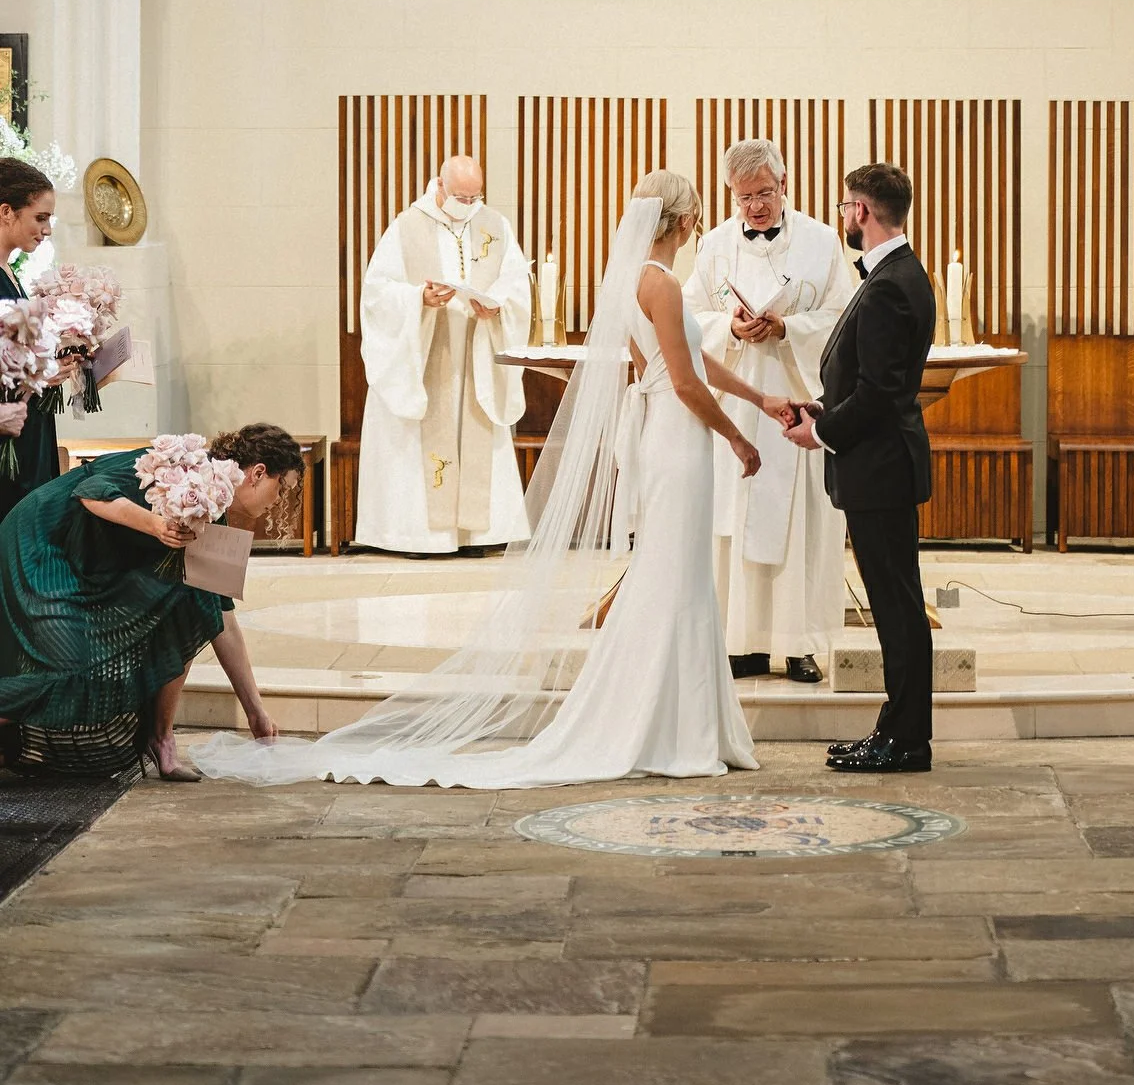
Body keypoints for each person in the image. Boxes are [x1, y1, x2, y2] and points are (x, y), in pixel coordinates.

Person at [192, 173, 790, 788]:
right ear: (688, 222)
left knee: (674, 575)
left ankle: (678, 724)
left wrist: (762, 398)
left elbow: (675, 365)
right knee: (676, 578)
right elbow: (686, 381)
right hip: (680, 440)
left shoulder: (633, 281)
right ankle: (669, 728)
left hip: (665, 433)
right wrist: (739, 436)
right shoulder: (659, 283)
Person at [0, 423, 303, 781]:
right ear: (258, 473)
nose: (278, 501)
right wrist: (156, 525)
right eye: (281, 488)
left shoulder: (215, 512)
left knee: (195, 604)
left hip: (90, 561)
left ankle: (161, 738)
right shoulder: (179, 466)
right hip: (43, 542)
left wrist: (256, 713)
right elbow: (91, 491)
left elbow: (223, 620)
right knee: (72, 669)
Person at [783, 162, 936, 773]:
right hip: (880, 464)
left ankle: (904, 740)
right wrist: (823, 408)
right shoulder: (898, 275)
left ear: (862, 212)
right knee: (897, 606)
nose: (844, 215)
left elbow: (878, 395)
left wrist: (819, 431)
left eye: (847, 205)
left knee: (897, 609)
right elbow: (875, 385)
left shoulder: (889, 285)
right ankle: (897, 733)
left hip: (879, 469)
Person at [683, 139, 852, 683]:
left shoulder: (823, 243)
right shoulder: (713, 246)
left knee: (799, 524)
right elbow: (687, 317)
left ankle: (798, 644)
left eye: (763, 193)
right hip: (737, 400)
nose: (754, 207)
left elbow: (843, 317)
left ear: (785, 184)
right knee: (733, 522)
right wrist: (729, 328)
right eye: (743, 197)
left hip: (797, 402)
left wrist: (788, 327)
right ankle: (742, 643)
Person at [357, 155, 533, 555]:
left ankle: (477, 536)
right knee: (426, 435)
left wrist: (499, 306)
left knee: (476, 432)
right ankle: (422, 537)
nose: (468, 205)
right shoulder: (406, 228)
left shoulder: (494, 226)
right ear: (439, 185)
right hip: (425, 357)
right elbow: (377, 292)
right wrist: (418, 297)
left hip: (476, 357)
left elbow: (517, 284)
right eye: (459, 196)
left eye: (475, 197)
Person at [0, 159, 59, 525]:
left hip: (26, 436)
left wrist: (50, 368)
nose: (47, 229)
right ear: (7, 211)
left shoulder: (10, 271)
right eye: (40, 217)